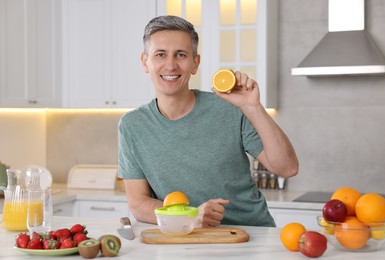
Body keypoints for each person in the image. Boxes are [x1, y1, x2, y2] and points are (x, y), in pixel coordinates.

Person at [118, 15, 298, 227]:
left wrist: (253, 108)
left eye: (181, 55)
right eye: (160, 55)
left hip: (250, 234)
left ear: (195, 63)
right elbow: (138, 203)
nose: (170, 65)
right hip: (185, 236)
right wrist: (190, 217)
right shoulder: (132, 126)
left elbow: (287, 168)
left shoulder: (231, 108)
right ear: (145, 62)